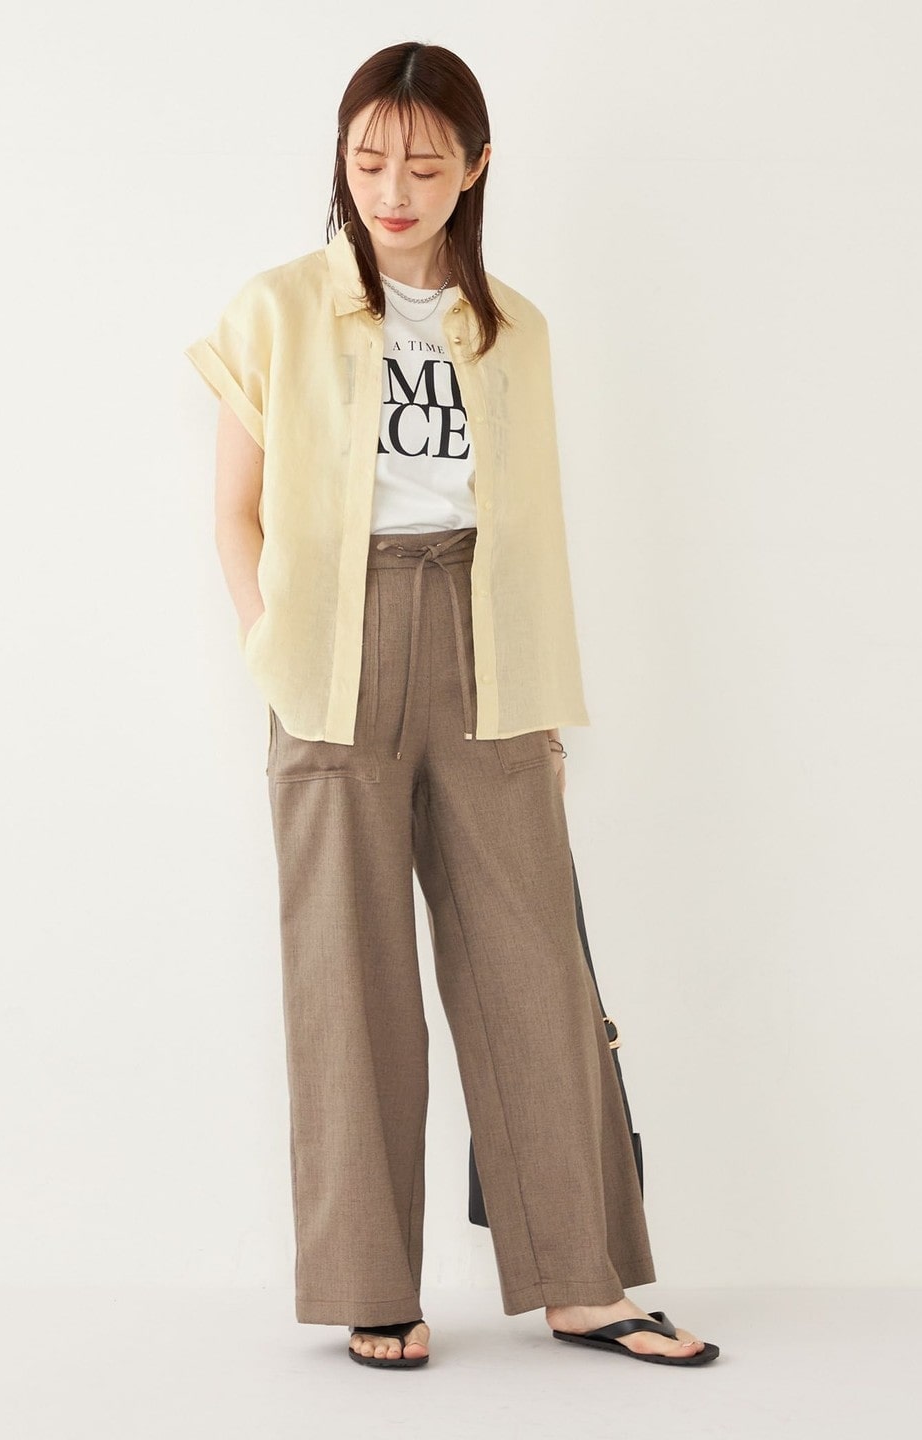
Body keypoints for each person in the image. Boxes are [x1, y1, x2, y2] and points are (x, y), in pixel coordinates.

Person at [185, 40, 718, 1370]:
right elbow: (234, 511)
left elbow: (529, 526)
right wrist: (268, 646)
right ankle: (373, 1284)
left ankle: (584, 1281)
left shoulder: (512, 328)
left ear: (477, 168)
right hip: (331, 647)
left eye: (424, 165)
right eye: (369, 160)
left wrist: (536, 687)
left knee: (534, 964)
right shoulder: (276, 309)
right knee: (345, 973)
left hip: (487, 640)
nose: (392, 190)